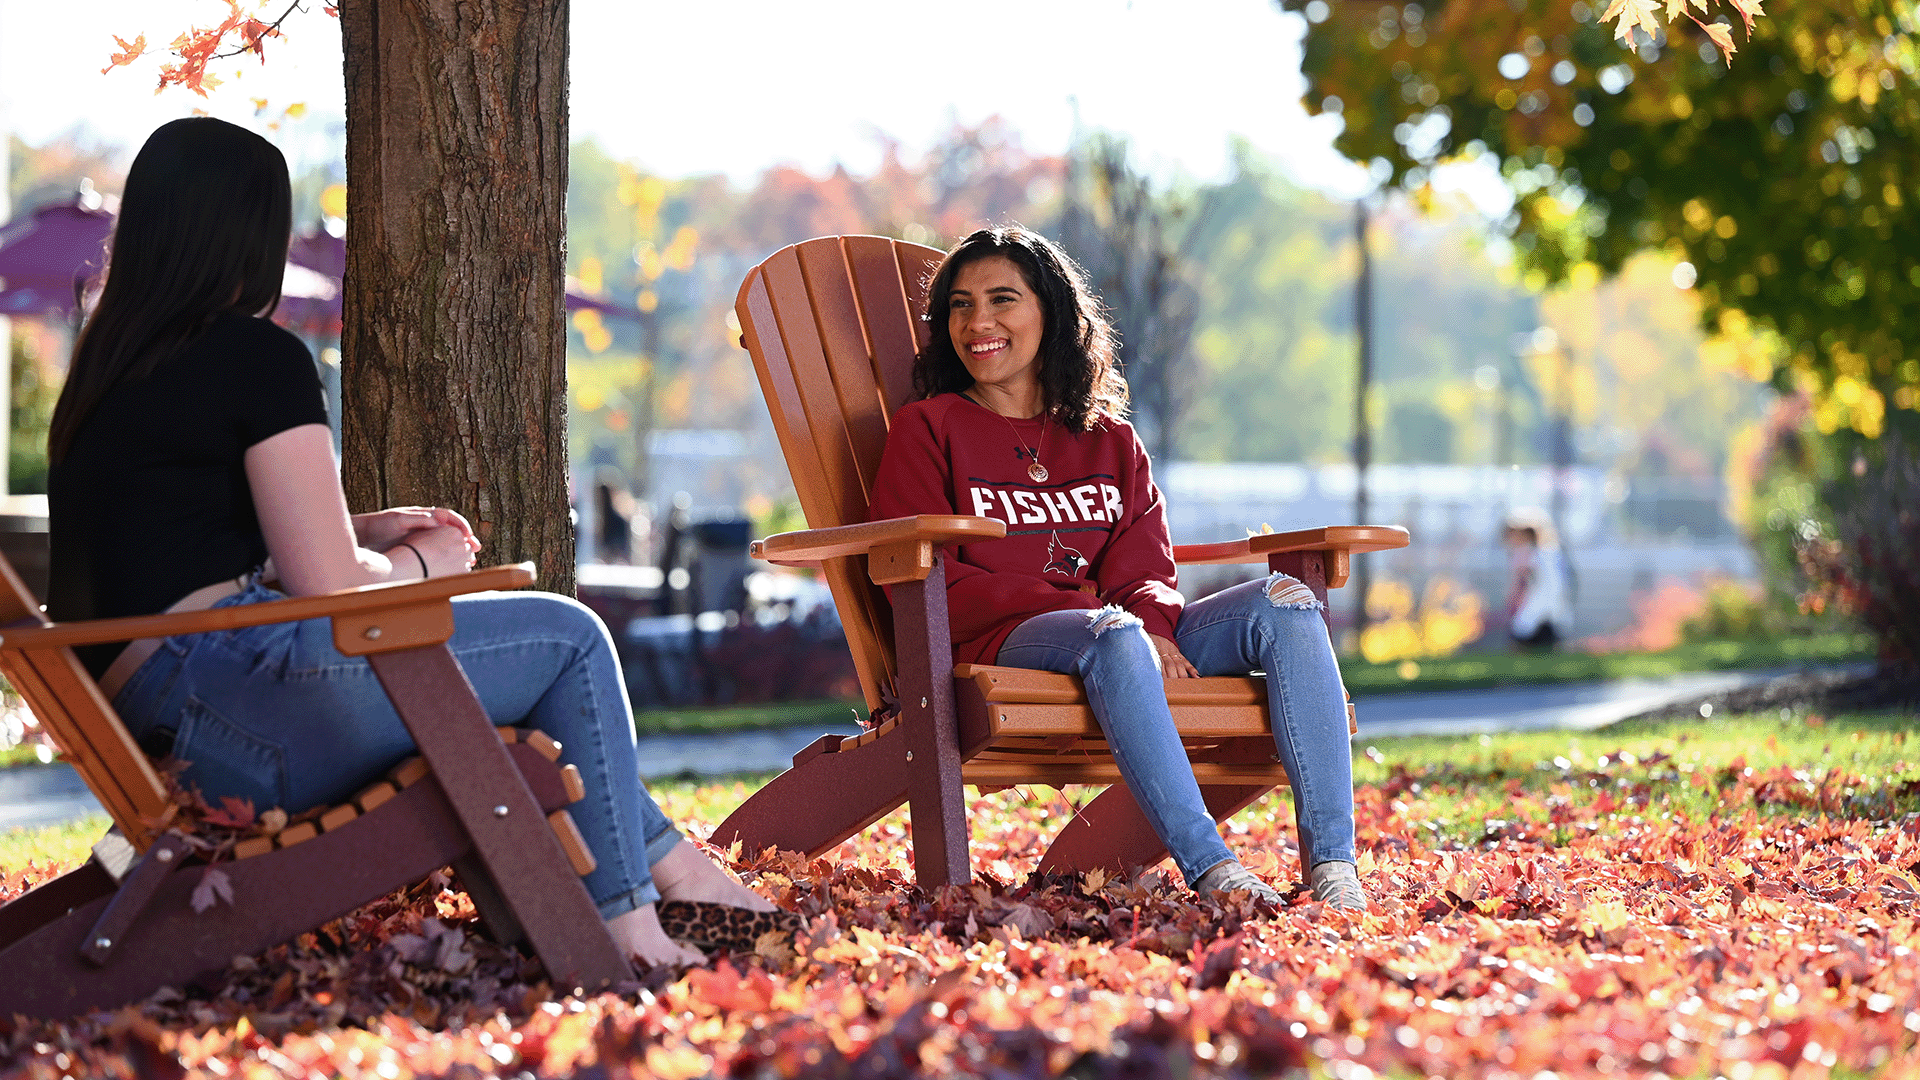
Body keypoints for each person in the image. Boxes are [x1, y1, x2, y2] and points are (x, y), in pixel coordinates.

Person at [45, 117, 777, 969]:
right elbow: (322, 581)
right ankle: (632, 929)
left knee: (520, 667)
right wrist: (422, 563)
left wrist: (362, 529)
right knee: (569, 639)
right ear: (254, 236)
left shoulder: (106, 374)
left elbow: (196, 542)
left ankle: (676, 872)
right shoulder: (257, 356)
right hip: (242, 715)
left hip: (163, 723)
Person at [867, 227, 1366, 911]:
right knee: (1113, 631)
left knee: (1288, 600)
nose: (977, 322)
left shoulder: (1108, 439)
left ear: (1052, 313)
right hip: (1001, 643)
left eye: (1001, 299)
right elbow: (932, 576)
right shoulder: (929, 429)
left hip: (1121, 633)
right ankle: (1213, 868)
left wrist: (1155, 624)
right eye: (959, 305)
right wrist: (1101, 614)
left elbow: (1145, 560)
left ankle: (1335, 870)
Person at [1503, 509, 1573, 650]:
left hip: (1544, 618)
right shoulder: (1540, 555)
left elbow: (1555, 588)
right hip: (1538, 615)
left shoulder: (1544, 556)